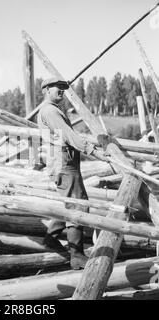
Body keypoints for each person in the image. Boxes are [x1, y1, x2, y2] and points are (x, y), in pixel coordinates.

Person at [37, 76, 108, 270]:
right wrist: (93, 151)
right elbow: (68, 136)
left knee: (71, 202)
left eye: (62, 87)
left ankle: (50, 239)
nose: (61, 90)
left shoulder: (52, 110)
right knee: (78, 205)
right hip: (64, 164)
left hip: (62, 162)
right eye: (56, 87)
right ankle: (76, 255)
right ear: (46, 90)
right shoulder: (51, 111)